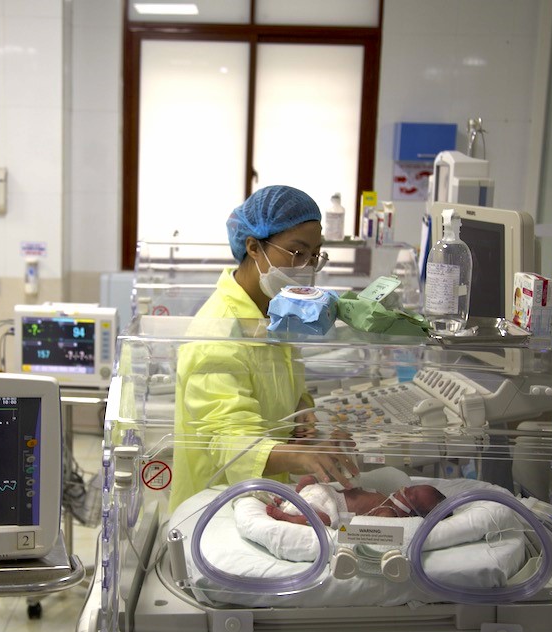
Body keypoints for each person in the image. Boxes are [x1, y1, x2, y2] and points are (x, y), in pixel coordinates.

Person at [169, 185, 359, 511]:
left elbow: (279, 384)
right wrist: (300, 456)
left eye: (316, 255)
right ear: (254, 247)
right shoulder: (215, 332)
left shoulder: (275, 312)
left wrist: (302, 409)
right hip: (213, 507)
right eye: (297, 253)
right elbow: (228, 440)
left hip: (264, 496)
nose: (308, 267)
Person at [265, 475, 447, 527]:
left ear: (411, 514)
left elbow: (368, 529)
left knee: (322, 519)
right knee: (308, 480)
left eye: (413, 495)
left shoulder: (389, 513)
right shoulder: (386, 498)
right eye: (413, 487)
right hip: (330, 493)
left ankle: (287, 516)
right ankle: (291, 499)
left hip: (330, 509)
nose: (407, 490)